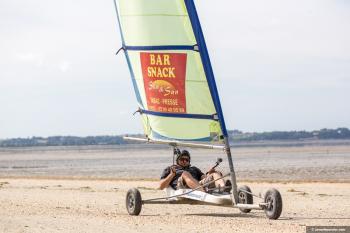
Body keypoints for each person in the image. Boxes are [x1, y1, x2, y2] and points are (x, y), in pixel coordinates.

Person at [158, 150, 229, 192]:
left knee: (215, 173)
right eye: (182, 159)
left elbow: (204, 178)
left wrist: (209, 174)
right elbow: (161, 186)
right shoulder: (170, 168)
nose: (184, 161)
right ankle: (203, 191)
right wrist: (171, 175)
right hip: (182, 187)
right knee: (185, 173)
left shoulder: (194, 168)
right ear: (177, 160)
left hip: (197, 185)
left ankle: (223, 188)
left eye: (187, 160)